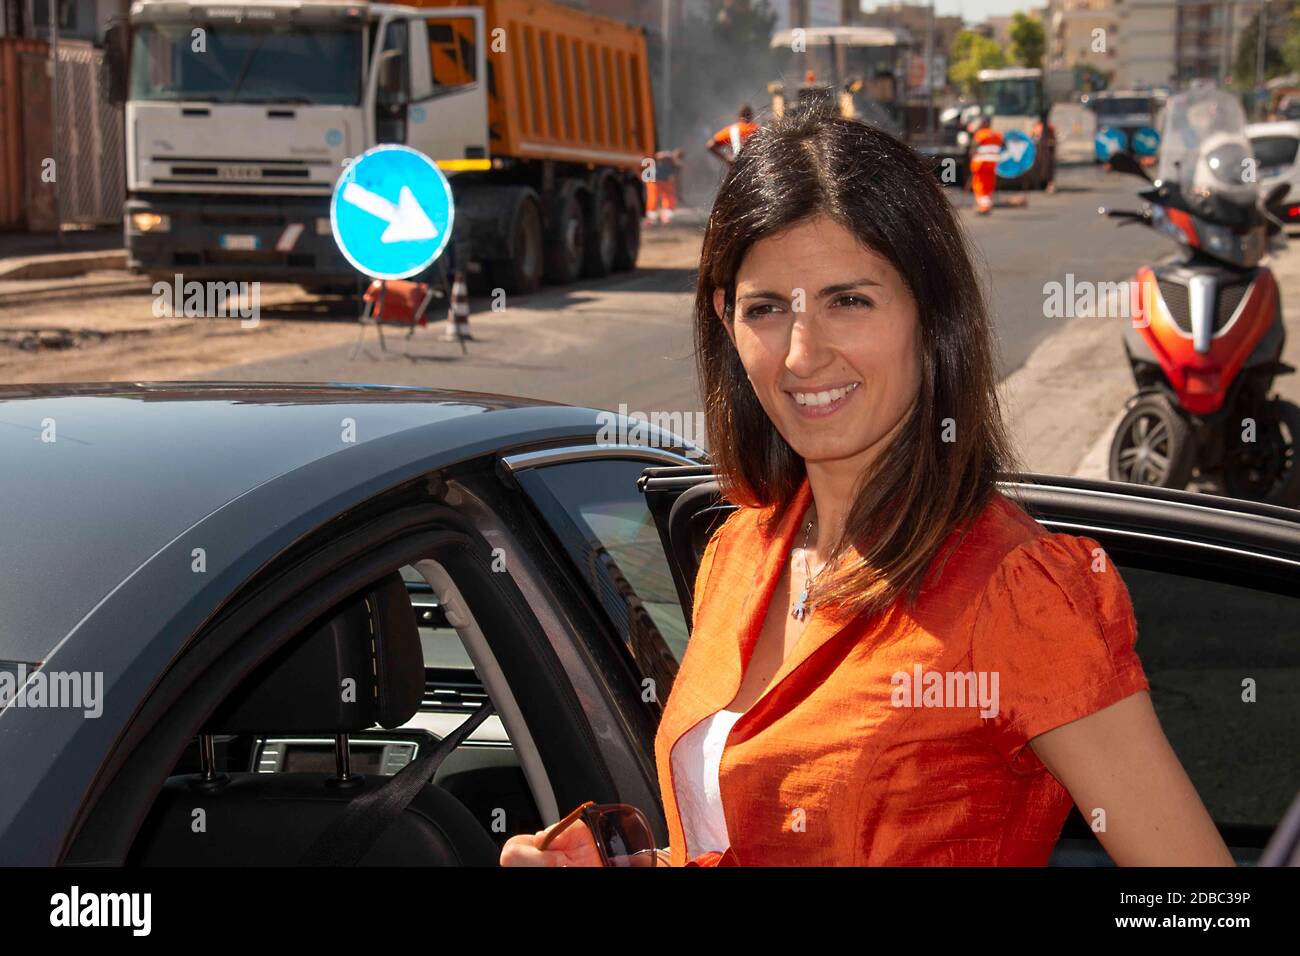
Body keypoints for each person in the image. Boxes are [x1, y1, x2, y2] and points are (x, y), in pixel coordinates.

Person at [501, 106, 1233, 867]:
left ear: (930, 310)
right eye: (766, 309)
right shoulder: (736, 550)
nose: (802, 354)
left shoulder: (1017, 592)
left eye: (850, 300)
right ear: (725, 319)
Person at [969, 112, 1003, 214]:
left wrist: (971, 157)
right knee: (989, 184)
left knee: (979, 184)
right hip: (992, 164)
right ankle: (986, 204)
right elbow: (1002, 147)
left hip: (981, 164)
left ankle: (983, 206)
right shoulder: (997, 135)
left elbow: (973, 148)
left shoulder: (980, 134)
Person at [645, 148, 684, 224]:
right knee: (653, 199)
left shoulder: (678, 166)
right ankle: (651, 218)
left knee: (669, 199)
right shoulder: (667, 156)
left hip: (666, 182)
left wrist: (678, 192)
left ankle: (666, 217)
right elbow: (655, 156)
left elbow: (677, 180)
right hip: (654, 180)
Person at [1034, 108, 1057, 194]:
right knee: (1041, 168)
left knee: (1048, 168)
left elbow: (1053, 140)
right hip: (1040, 151)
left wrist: (1051, 143)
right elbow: (1034, 137)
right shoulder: (1038, 126)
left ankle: (1049, 184)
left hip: (1047, 152)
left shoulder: (1050, 128)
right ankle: (1041, 183)